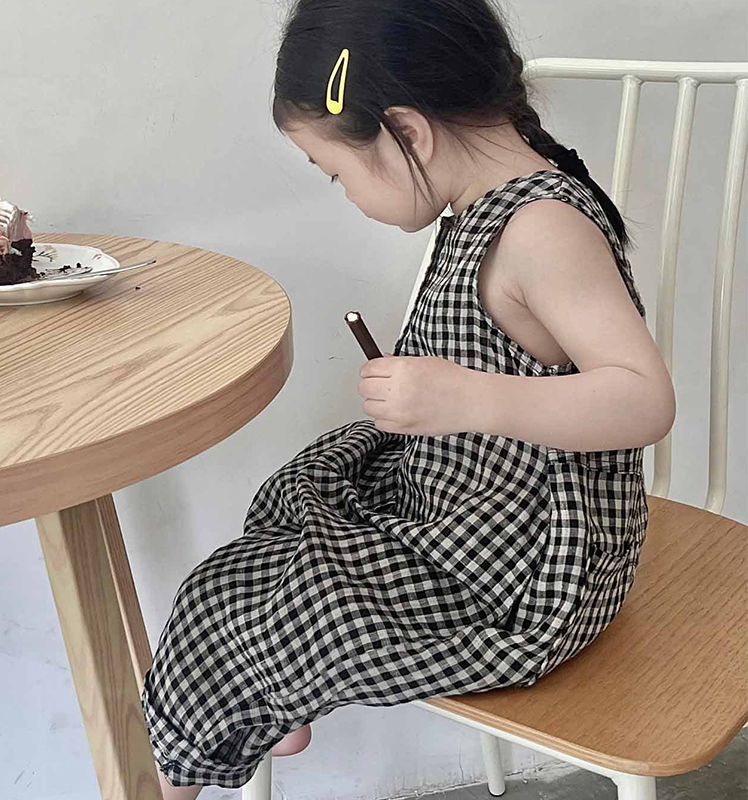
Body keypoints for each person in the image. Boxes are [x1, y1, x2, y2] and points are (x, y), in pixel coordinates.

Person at [143, 0, 676, 796]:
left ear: (407, 133)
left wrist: (470, 398)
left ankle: (191, 756)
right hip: (469, 502)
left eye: (337, 173)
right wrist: (436, 395)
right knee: (290, 509)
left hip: (526, 566)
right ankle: (264, 692)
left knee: (232, 606)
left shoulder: (542, 230)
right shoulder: (480, 206)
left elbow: (644, 401)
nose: (345, 193)